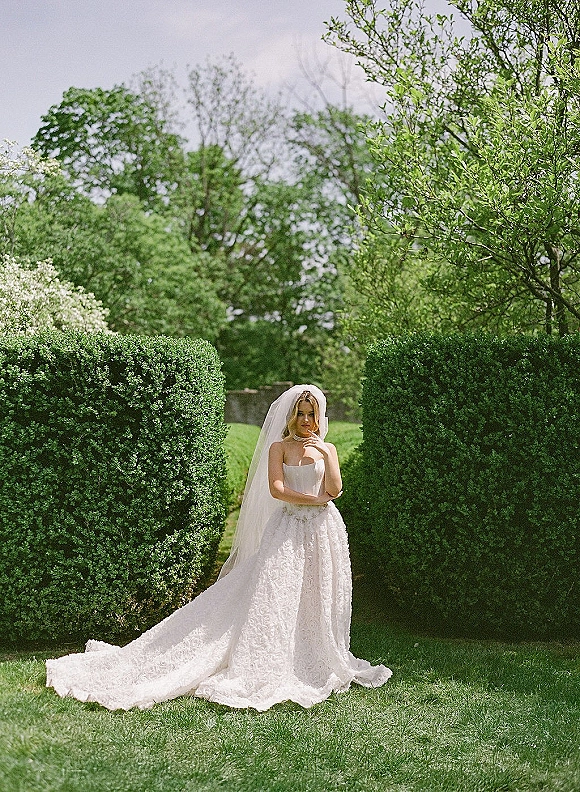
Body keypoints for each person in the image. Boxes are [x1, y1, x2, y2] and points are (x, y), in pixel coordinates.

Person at [46, 384, 392, 711]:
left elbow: (334, 490)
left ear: (320, 417)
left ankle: (314, 650)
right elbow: (276, 489)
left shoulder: (326, 448)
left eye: (311, 414)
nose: (305, 421)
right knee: (276, 588)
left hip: (322, 528)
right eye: (300, 413)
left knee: (318, 589)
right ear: (290, 416)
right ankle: (267, 653)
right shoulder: (279, 447)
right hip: (288, 524)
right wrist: (311, 500)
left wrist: (322, 455)